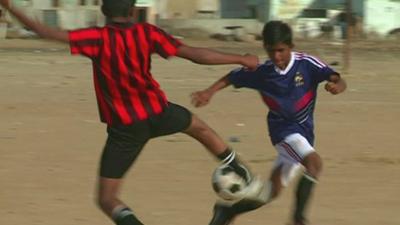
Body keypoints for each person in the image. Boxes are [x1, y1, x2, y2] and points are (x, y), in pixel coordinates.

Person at [0, 0, 263, 225]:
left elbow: (41, 30)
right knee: (198, 127)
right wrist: (240, 59)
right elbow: (195, 54)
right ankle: (237, 167)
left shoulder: (96, 38)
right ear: (133, 9)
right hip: (159, 112)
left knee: (106, 198)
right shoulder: (147, 33)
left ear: (104, 10)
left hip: (126, 128)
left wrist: (10, 6)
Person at [191, 20, 347, 225]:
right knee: (314, 164)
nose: (276, 56)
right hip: (284, 131)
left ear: (291, 46)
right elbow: (233, 77)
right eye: (271, 51)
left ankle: (226, 212)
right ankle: (298, 219)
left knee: (269, 193)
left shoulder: (306, 63)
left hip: (304, 131)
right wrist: (209, 92)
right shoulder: (263, 72)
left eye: (281, 50)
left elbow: (336, 77)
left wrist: (338, 85)